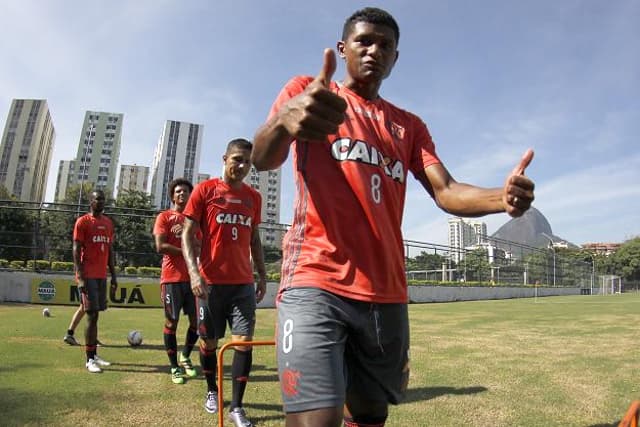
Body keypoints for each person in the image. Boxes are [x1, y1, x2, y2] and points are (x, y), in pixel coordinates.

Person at [251, 7, 535, 427]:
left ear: (396, 58)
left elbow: (446, 190)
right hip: (315, 281)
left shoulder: (409, 126)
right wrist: (283, 122)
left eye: (386, 45)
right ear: (343, 48)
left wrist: (502, 198)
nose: (374, 51)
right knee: (315, 420)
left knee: (369, 414)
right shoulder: (311, 94)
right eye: (364, 41)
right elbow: (263, 158)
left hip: (384, 293)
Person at [182, 138, 267, 426]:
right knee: (209, 342)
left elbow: (254, 238)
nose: (242, 166)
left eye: (247, 162)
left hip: (242, 285)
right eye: (237, 160)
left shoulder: (254, 197)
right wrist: (194, 274)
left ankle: (237, 408)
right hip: (210, 285)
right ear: (225, 158)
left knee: (243, 344)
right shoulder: (205, 191)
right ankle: (211, 391)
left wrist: (262, 274)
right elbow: (187, 234)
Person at [153, 178, 200, 384]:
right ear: (173, 196)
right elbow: (160, 246)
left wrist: (189, 238)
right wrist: (185, 249)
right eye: (178, 191)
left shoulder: (195, 220)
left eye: (186, 191)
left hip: (193, 278)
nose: (182, 194)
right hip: (171, 278)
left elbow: (201, 246)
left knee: (197, 323)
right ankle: (174, 367)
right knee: (172, 322)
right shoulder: (164, 217)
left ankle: (186, 356)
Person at [73, 189, 118, 373]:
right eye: (97, 199)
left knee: (96, 315)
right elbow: (75, 250)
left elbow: (110, 251)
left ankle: (94, 354)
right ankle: (89, 359)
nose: (100, 201)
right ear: (90, 201)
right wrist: (81, 277)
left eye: (103, 199)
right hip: (88, 275)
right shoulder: (82, 222)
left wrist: (114, 276)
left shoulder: (108, 223)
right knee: (90, 315)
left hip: (101, 276)